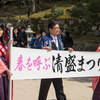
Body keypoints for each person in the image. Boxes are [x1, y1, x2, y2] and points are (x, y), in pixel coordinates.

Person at [37, 20, 73, 100]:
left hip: (57, 68)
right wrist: (43, 48)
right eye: (56, 28)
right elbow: (36, 48)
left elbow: (61, 49)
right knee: (44, 90)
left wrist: (68, 49)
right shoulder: (44, 39)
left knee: (60, 90)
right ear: (50, 29)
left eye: (58, 28)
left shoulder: (59, 39)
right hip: (47, 69)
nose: (58, 29)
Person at [0, 23, 12, 100]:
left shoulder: (2, 43)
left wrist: (10, 45)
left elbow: (7, 55)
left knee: (5, 93)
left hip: (4, 71)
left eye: (1, 29)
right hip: (2, 70)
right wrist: (7, 70)